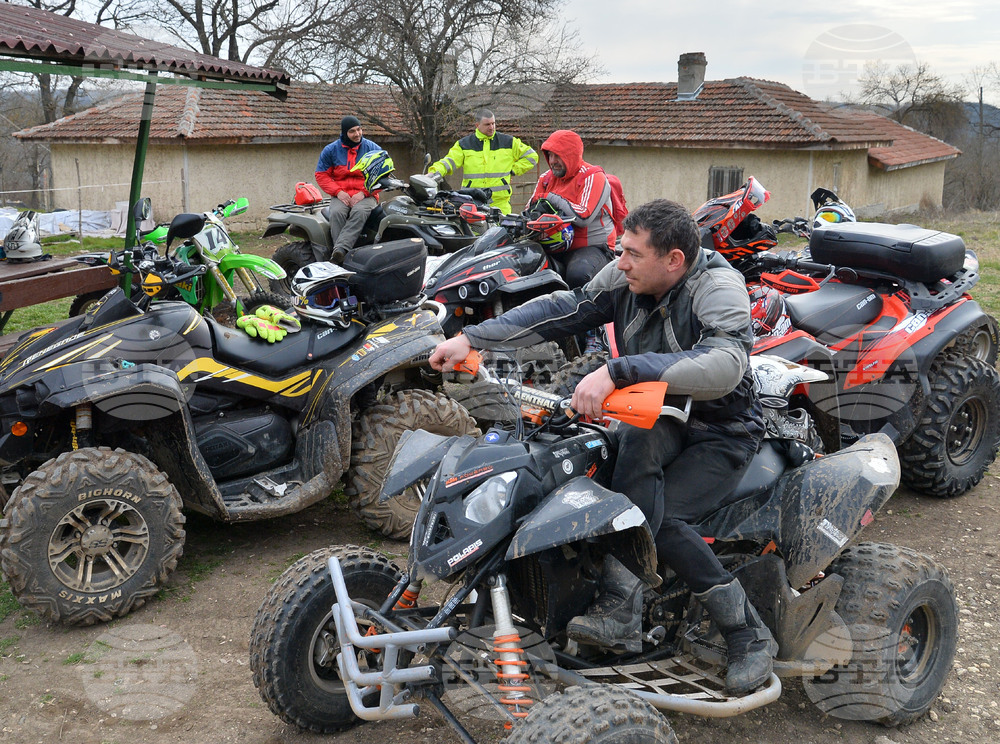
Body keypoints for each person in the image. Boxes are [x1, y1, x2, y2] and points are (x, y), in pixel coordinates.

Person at [429, 199, 777, 695]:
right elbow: (563, 309)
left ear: (673, 260)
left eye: (633, 254)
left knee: (664, 516)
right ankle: (584, 604)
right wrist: (473, 338)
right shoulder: (625, 278)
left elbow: (726, 365)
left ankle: (746, 633)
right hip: (651, 417)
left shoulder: (717, 287)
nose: (621, 262)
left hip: (719, 429)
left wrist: (618, 371)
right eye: (621, 250)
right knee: (580, 481)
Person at [529, 129, 616, 291]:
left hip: (591, 248)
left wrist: (551, 198)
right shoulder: (546, 179)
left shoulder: (592, 176)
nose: (552, 161)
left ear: (571, 155)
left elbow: (583, 216)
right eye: (550, 155)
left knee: (578, 275)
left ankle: (584, 314)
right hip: (551, 245)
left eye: (557, 155)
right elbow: (530, 210)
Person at [429, 109, 537, 215]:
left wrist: (513, 170)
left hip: (500, 204)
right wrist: (433, 173)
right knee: (473, 233)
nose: (491, 127)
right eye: (487, 124)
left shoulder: (508, 142)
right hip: (472, 203)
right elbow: (448, 162)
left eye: (493, 123)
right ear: (477, 125)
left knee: (501, 232)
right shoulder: (464, 145)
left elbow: (532, 156)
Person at [315, 116, 383, 262]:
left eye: (359, 129)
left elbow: (382, 176)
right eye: (352, 131)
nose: (357, 134)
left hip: (366, 194)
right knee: (336, 212)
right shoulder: (331, 150)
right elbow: (321, 175)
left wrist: (364, 193)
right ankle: (341, 257)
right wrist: (338, 192)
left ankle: (340, 251)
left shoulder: (373, 149)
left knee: (359, 211)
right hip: (341, 193)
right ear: (345, 133)